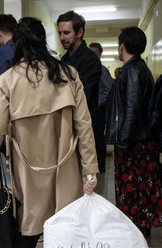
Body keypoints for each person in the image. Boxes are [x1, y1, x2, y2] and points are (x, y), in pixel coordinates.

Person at [0, 17, 98, 248]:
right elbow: (84, 126)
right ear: (45, 41)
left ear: (18, 44)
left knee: (28, 233)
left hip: (28, 172)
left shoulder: (8, 80)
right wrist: (90, 170)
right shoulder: (69, 74)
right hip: (66, 168)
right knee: (68, 233)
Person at [106, 27, 162, 237]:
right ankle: (139, 229)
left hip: (134, 141)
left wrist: (122, 141)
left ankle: (134, 230)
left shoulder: (132, 70)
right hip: (141, 138)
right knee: (140, 188)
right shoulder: (138, 67)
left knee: (132, 188)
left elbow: (132, 109)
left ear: (122, 46)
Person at [57, 11, 106, 184]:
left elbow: (79, 94)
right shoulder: (64, 59)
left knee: (84, 185)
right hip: (67, 129)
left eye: (67, 33)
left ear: (79, 32)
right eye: (60, 33)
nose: (62, 37)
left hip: (83, 128)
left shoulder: (90, 60)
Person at [89, 42, 114, 162]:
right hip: (91, 109)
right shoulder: (90, 69)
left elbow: (109, 89)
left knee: (98, 137)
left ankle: (101, 164)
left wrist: (97, 103)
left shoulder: (102, 71)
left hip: (99, 110)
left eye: (94, 53)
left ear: (99, 54)